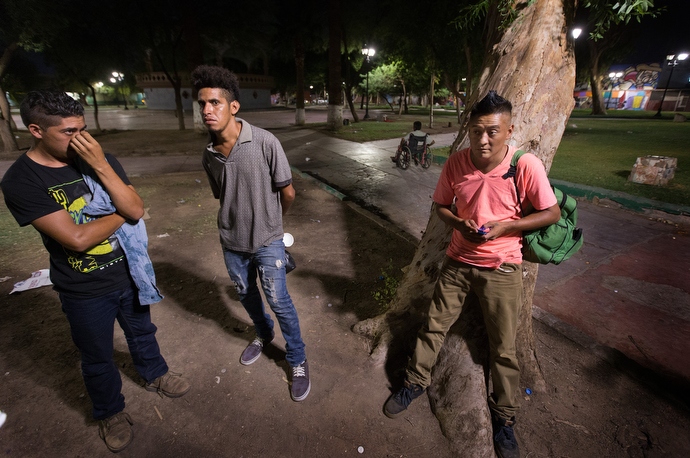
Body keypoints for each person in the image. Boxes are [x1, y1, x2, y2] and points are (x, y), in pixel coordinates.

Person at [1, 90, 190, 453]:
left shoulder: (97, 158)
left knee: (143, 333)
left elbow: (135, 205)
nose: (82, 140)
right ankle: (109, 411)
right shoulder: (21, 180)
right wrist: (124, 213)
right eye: (69, 132)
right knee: (97, 356)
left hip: (129, 274)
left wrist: (102, 165)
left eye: (83, 129)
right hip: (82, 288)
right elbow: (77, 238)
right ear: (37, 130)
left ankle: (155, 374)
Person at [382, 91, 560, 458]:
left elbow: (551, 213)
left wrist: (507, 227)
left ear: (509, 130)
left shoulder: (525, 165)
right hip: (458, 263)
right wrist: (458, 224)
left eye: (492, 132)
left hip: (502, 268)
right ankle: (414, 384)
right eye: (476, 131)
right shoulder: (456, 162)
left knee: (504, 349)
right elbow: (441, 206)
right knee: (433, 326)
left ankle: (505, 418)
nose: (483, 140)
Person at [191, 65, 310, 402]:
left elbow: (287, 193)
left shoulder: (265, 142)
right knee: (246, 294)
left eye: (215, 103)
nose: (206, 111)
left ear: (233, 107)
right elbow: (224, 196)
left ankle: (297, 359)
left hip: (267, 241)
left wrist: (272, 226)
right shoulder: (209, 154)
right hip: (231, 243)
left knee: (279, 301)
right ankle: (262, 333)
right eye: (202, 104)